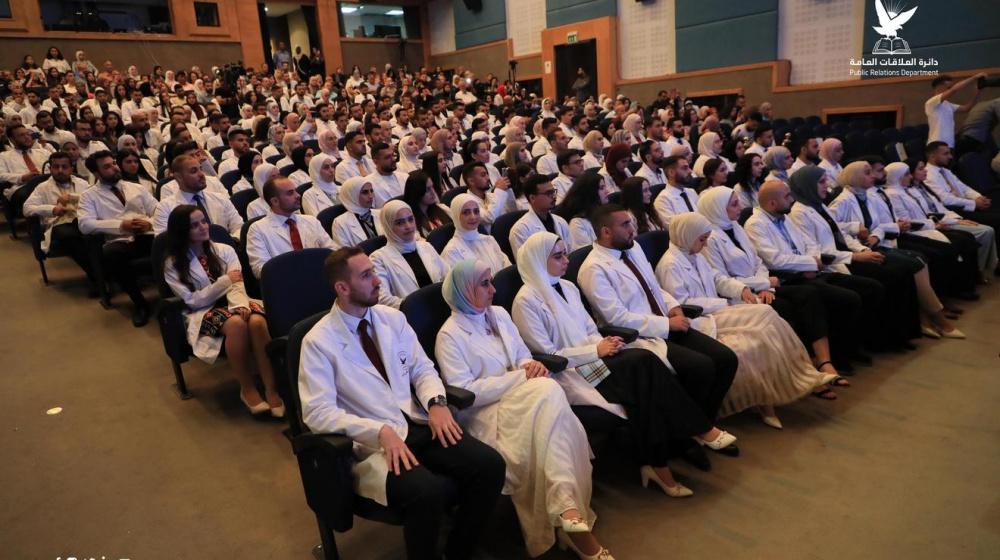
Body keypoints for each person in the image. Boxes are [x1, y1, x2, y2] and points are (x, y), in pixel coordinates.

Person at [298, 247, 505, 560]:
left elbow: (422, 369)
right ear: (342, 288)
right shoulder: (318, 342)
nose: (377, 281)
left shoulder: (392, 319)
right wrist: (378, 432)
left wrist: (436, 403)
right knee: (427, 493)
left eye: (374, 271)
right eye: (366, 276)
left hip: (417, 423)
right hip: (373, 445)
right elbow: (317, 412)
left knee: (490, 465)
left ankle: (458, 551)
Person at [514, 232, 737, 495]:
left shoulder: (568, 287)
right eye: (558, 256)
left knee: (644, 384)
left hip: (596, 358)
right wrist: (595, 350)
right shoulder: (525, 301)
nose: (566, 261)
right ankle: (697, 432)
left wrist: (604, 342)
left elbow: (589, 328)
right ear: (538, 260)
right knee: (643, 366)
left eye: (564, 254)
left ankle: (658, 463)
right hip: (574, 371)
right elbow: (548, 355)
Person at [436, 260, 613, 560]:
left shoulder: (500, 314)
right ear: (465, 291)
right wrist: (521, 376)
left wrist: (529, 366)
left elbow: (522, 355)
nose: (493, 290)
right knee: (549, 392)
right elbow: (468, 393)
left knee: (548, 403)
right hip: (488, 412)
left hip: (526, 398)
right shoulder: (449, 335)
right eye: (485, 284)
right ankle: (570, 518)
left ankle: (566, 511)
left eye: (491, 282)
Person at [577, 205, 739, 461]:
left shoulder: (633, 248)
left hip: (665, 321)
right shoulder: (593, 269)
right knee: (700, 367)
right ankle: (689, 437)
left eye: (631, 223)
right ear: (606, 231)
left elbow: (652, 287)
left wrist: (672, 305)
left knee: (726, 359)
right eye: (625, 225)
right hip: (640, 336)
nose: (633, 229)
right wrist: (666, 325)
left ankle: (697, 428)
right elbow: (617, 318)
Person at [655, 213, 837, 428]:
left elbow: (718, 278)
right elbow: (682, 303)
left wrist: (741, 290)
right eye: (702, 239)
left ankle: (801, 375)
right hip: (701, 319)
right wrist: (724, 302)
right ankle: (782, 390)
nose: (705, 245)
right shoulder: (670, 265)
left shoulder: (694, 255)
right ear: (687, 236)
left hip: (717, 310)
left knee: (765, 315)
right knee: (759, 329)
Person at [697, 186, 851, 394]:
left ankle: (824, 362)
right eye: (734, 204)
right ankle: (804, 371)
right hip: (740, 295)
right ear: (717, 209)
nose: (740, 207)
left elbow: (758, 261)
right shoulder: (709, 238)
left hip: (763, 286)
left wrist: (765, 285)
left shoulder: (735, 227)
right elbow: (720, 279)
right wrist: (760, 285)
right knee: (787, 310)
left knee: (808, 295)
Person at [163, 205, 283, 416]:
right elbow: (193, 300)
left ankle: (272, 389)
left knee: (256, 322)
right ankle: (248, 389)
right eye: (194, 225)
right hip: (203, 310)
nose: (203, 227)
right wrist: (224, 281)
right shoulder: (172, 264)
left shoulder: (224, 250)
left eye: (203, 221)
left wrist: (239, 305)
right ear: (182, 231)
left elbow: (238, 284)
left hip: (235, 300)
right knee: (236, 324)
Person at [788, 167, 921, 351]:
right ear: (807, 185)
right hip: (834, 263)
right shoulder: (799, 213)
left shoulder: (819, 206)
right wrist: (857, 256)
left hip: (846, 254)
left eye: (826, 180)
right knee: (886, 279)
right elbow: (819, 251)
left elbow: (840, 234)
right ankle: (881, 339)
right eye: (821, 182)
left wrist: (862, 249)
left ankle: (900, 333)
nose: (827, 185)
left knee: (902, 271)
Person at [830, 161, 964, 338]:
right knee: (913, 264)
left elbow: (878, 225)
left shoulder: (867, 196)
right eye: (868, 173)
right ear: (854, 177)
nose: (873, 176)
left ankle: (925, 316)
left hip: (877, 242)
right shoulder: (842, 201)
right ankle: (937, 318)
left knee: (920, 259)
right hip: (860, 249)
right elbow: (833, 226)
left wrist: (876, 235)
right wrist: (857, 231)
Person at [77, 150, 158, 326]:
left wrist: (149, 223)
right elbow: (85, 224)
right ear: (96, 173)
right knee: (112, 255)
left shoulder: (136, 188)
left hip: (146, 235)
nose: (115, 168)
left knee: (169, 242)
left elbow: (159, 211)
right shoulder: (89, 196)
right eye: (107, 167)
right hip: (119, 240)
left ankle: (172, 294)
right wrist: (120, 225)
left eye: (114, 163)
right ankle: (139, 303)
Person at [879, 161, 981, 300]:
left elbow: (924, 213)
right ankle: (952, 290)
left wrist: (941, 222)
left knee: (966, 237)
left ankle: (969, 282)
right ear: (897, 177)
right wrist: (933, 225)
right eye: (907, 174)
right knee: (952, 246)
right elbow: (907, 222)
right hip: (915, 231)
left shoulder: (904, 190)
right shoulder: (893, 194)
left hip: (926, 225)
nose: (910, 177)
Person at [896, 158, 998, 280]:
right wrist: (955, 220)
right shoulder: (906, 192)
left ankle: (983, 269)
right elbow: (926, 214)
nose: (925, 171)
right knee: (984, 232)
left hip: (943, 218)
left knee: (985, 230)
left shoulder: (923, 187)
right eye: (921, 169)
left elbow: (940, 206)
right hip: (933, 224)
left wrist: (958, 218)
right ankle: (979, 271)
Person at [23, 151, 93, 282]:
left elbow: (94, 199)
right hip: (58, 224)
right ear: (50, 168)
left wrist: (72, 197)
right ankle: (97, 275)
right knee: (69, 234)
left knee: (92, 231)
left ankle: (100, 273)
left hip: (81, 219)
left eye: (64, 167)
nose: (60, 170)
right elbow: (27, 208)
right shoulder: (42, 187)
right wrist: (52, 209)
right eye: (56, 167)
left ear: (71, 168)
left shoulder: (82, 183)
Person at [245, 176, 334, 278]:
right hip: (286, 283)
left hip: (320, 276)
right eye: (290, 193)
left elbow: (332, 251)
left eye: (295, 191)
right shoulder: (257, 230)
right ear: (275, 201)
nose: (298, 195)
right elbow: (260, 270)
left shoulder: (311, 221)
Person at [371, 200, 450, 308]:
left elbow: (448, 276)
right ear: (388, 226)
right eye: (399, 223)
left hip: (443, 305)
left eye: (410, 219)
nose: (408, 226)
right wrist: (416, 307)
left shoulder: (425, 246)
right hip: (410, 314)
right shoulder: (378, 258)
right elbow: (382, 298)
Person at [153, 154, 243, 238]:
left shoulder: (221, 198)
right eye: (194, 171)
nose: (201, 174)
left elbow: (238, 227)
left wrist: (227, 244)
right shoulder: (165, 208)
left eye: (201, 169)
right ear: (179, 177)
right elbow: (164, 243)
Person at [923, 142, 1000, 233]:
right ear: (932, 156)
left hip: (966, 205)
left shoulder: (945, 171)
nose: (950, 157)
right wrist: (974, 203)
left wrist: (978, 197)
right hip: (954, 211)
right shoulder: (928, 175)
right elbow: (945, 200)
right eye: (946, 154)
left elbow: (963, 188)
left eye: (949, 153)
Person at [441, 193, 511, 272]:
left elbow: (507, 270)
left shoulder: (489, 240)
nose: (473, 217)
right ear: (456, 216)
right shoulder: (451, 252)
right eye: (466, 212)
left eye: (476, 211)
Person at [509, 174, 572, 258]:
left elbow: (570, 253)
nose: (554, 196)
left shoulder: (561, 221)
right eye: (548, 193)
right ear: (532, 198)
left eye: (553, 191)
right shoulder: (520, 230)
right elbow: (526, 263)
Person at [925, 73, 988, 147]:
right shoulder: (931, 102)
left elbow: (966, 108)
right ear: (939, 86)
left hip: (949, 144)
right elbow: (954, 90)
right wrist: (974, 77)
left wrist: (978, 91)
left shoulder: (948, 105)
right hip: (936, 143)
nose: (950, 89)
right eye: (948, 87)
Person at [555, 171, 609, 251]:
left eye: (605, 187)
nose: (607, 191)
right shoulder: (578, 223)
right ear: (590, 193)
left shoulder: (605, 214)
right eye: (601, 188)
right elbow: (586, 253)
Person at [0, 124, 49, 202]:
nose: (27, 137)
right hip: (22, 187)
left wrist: (44, 144)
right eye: (21, 135)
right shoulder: (4, 156)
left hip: (47, 184)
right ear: (12, 140)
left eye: (28, 134)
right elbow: (1, 176)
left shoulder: (43, 152)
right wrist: (22, 177)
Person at [330, 176, 382, 248]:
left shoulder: (380, 213)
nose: (371, 196)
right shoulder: (340, 223)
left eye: (371, 191)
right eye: (365, 192)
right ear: (352, 195)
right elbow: (345, 252)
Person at [401, 170, 451, 237]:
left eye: (432, 187)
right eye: (428, 189)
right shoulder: (411, 222)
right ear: (417, 192)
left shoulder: (442, 208)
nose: (433, 192)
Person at [653, 155, 699, 226]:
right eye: (685, 168)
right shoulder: (663, 200)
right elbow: (673, 228)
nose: (690, 171)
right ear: (671, 172)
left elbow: (703, 216)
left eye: (689, 167)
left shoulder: (691, 192)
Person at [365, 141, 409, 207]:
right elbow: (371, 209)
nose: (393, 159)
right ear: (375, 161)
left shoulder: (405, 177)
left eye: (393, 155)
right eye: (387, 157)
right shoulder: (368, 183)